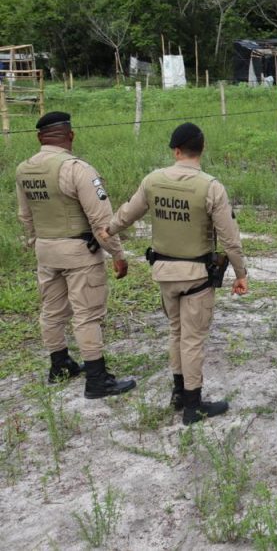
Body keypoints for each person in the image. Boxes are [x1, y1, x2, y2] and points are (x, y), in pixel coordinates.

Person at [103, 123, 246, 423]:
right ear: (202, 149)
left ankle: (179, 392)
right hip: (196, 276)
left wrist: (109, 229)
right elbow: (230, 238)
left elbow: (128, 213)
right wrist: (240, 273)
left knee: (176, 332)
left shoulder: (153, 180)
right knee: (193, 339)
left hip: (164, 272)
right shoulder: (211, 187)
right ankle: (193, 406)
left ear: (176, 151)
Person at [15, 111, 136, 398]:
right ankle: (97, 379)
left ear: (39, 138)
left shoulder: (24, 170)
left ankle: (59, 365)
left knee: (52, 311)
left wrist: (38, 243)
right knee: (87, 315)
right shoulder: (77, 169)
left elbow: (25, 215)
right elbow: (101, 220)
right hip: (79, 254)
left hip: (46, 250)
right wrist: (117, 253)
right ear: (70, 135)